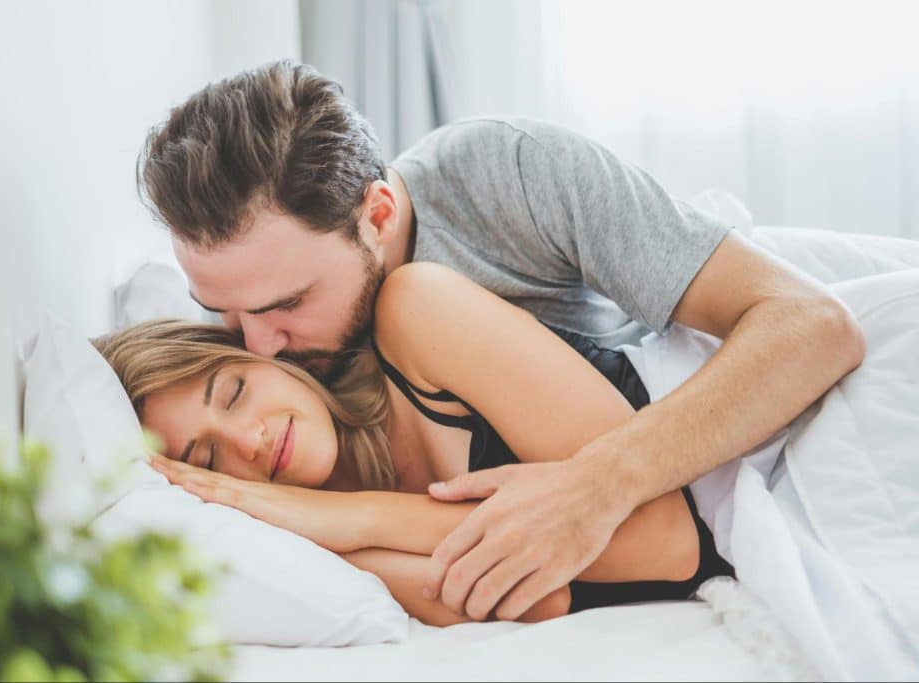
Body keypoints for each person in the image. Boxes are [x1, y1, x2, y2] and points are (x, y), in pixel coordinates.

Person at [135, 59, 865, 621]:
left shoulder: (505, 176)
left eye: (286, 303)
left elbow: (809, 324)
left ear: (379, 214)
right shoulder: (272, 375)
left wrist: (597, 484)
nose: (258, 347)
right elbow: (508, 595)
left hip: (718, 422)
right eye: (226, 317)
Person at [93, 261, 734, 626]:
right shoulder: (308, 548)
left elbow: (667, 542)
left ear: (260, 353)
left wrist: (348, 516)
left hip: (752, 447)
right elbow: (542, 601)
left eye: (233, 392)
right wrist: (313, 532)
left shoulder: (416, 313)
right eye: (209, 460)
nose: (249, 441)